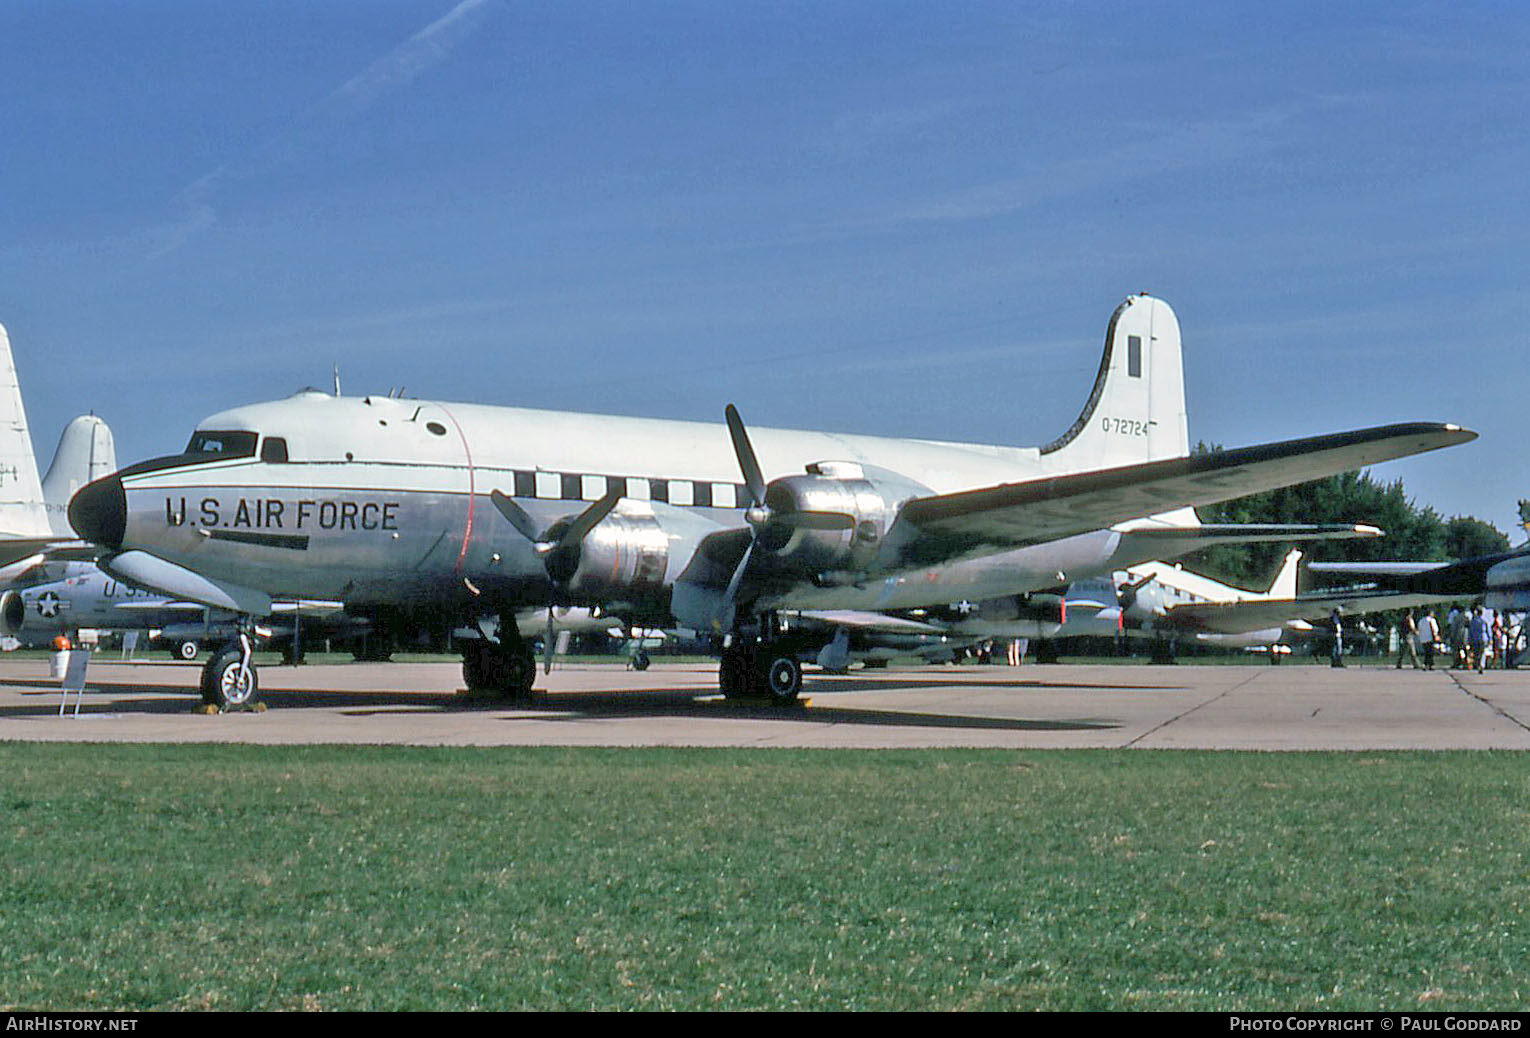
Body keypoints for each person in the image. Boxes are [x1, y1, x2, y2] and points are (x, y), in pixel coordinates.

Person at [1468, 607, 1491, 674]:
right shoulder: (1484, 621)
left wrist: (1469, 640)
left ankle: (1478, 665)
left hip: (1475, 639)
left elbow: (1470, 632)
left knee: (1476, 653)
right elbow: (1488, 631)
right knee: (1482, 653)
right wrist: (1490, 639)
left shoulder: (1473, 621)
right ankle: (1481, 665)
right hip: (1483, 638)